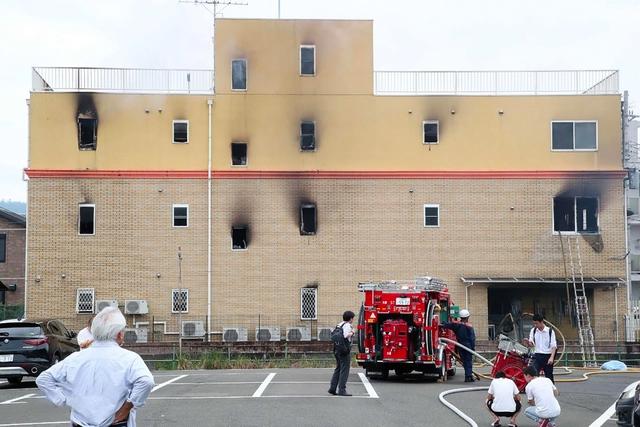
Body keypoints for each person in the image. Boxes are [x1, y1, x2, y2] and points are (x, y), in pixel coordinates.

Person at [36, 307, 155, 426]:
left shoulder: (75, 358)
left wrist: (62, 399)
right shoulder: (130, 358)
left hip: (81, 422)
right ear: (119, 334)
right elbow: (146, 381)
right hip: (115, 421)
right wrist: (127, 408)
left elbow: (43, 379)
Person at [442, 308, 476, 382]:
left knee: (464, 361)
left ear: (460, 317)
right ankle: (468, 377)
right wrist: (473, 348)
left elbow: (447, 325)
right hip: (468, 346)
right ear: (467, 317)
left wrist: (442, 323)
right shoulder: (469, 326)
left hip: (460, 345)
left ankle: (469, 375)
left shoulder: (456, 324)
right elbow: (472, 338)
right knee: (468, 361)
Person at [523, 313, 557, 383]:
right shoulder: (534, 330)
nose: (535, 325)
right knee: (534, 374)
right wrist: (528, 343)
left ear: (541, 322)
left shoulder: (550, 331)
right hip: (537, 355)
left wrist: (551, 357)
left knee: (549, 376)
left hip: (547, 355)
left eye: (537, 323)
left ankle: (551, 391)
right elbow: (531, 344)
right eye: (534, 324)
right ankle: (535, 391)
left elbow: (553, 346)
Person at [328, 310, 355, 397]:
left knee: (338, 368)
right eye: (352, 318)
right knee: (344, 370)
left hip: (337, 349)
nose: (353, 319)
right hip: (344, 350)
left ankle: (332, 388)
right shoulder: (347, 325)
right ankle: (342, 390)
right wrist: (352, 332)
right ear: (350, 319)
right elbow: (345, 335)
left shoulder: (340, 324)